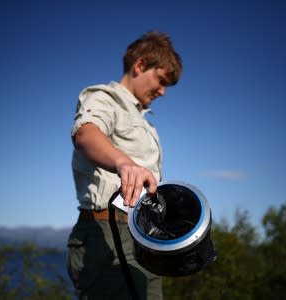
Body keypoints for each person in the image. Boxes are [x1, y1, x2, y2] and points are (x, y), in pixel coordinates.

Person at [66, 30, 183, 300]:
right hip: (109, 233)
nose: (163, 92)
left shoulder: (145, 122)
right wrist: (123, 162)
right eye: (161, 80)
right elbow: (86, 132)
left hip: (143, 233)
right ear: (140, 65)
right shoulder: (104, 98)